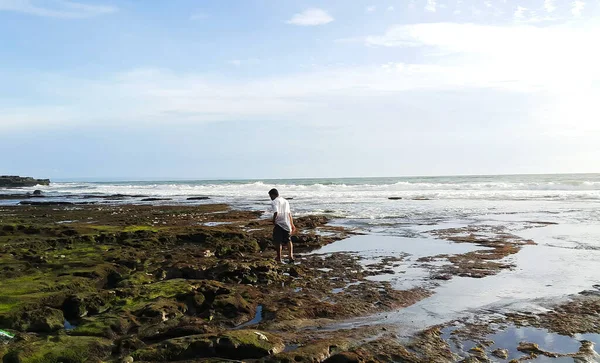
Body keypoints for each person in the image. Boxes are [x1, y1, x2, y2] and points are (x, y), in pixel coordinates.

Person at [269, 188, 296, 263]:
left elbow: (276, 212)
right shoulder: (285, 201)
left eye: (270, 196)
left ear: (273, 195)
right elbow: (289, 214)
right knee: (288, 240)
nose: (270, 198)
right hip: (287, 223)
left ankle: (279, 257)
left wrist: (273, 220)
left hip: (279, 223)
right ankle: (290, 256)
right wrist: (292, 224)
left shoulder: (275, 201)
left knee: (278, 241)